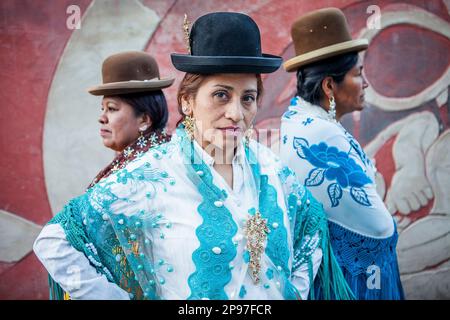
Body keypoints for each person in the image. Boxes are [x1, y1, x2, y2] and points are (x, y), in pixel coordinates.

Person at [34, 12, 352, 300]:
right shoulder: (152, 174)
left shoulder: (273, 171)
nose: (236, 113)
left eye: (248, 98)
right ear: (187, 102)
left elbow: (312, 226)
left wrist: (294, 291)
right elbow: (56, 241)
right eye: (221, 95)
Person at [280, 8, 404, 299]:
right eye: (358, 74)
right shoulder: (318, 134)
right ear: (329, 86)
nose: (366, 84)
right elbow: (378, 227)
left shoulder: (301, 122)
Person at [33, 51, 174, 299]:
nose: (102, 117)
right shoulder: (155, 157)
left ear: (144, 118)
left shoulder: (144, 171)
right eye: (103, 108)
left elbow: (52, 243)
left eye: (112, 108)